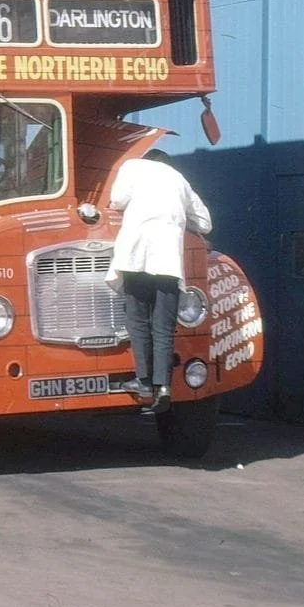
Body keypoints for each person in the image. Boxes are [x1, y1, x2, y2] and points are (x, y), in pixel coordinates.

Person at [105, 149, 212, 413]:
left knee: (138, 321)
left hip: (136, 255)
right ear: (166, 163)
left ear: (148, 160)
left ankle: (143, 382)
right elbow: (205, 223)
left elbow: (116, 200)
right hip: (168, 260)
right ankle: (163, 387)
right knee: (163, 327)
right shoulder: (179, 178)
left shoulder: (132, 167)